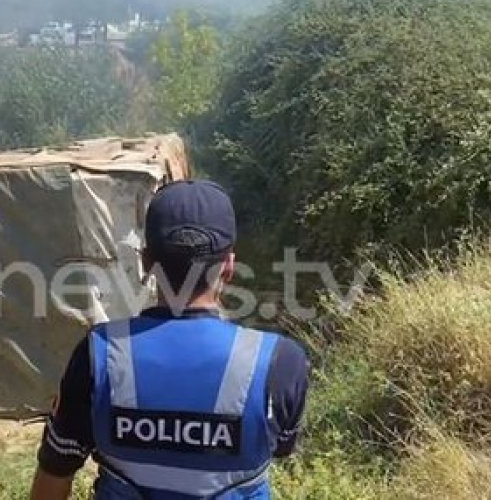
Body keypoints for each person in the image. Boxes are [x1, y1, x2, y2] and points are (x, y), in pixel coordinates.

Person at [31, 180, 310, 499]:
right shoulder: (282, 361)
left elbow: (56, 469)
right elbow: (281, 447)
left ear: (146, 261)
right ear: (229, 267)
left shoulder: (99, 353)